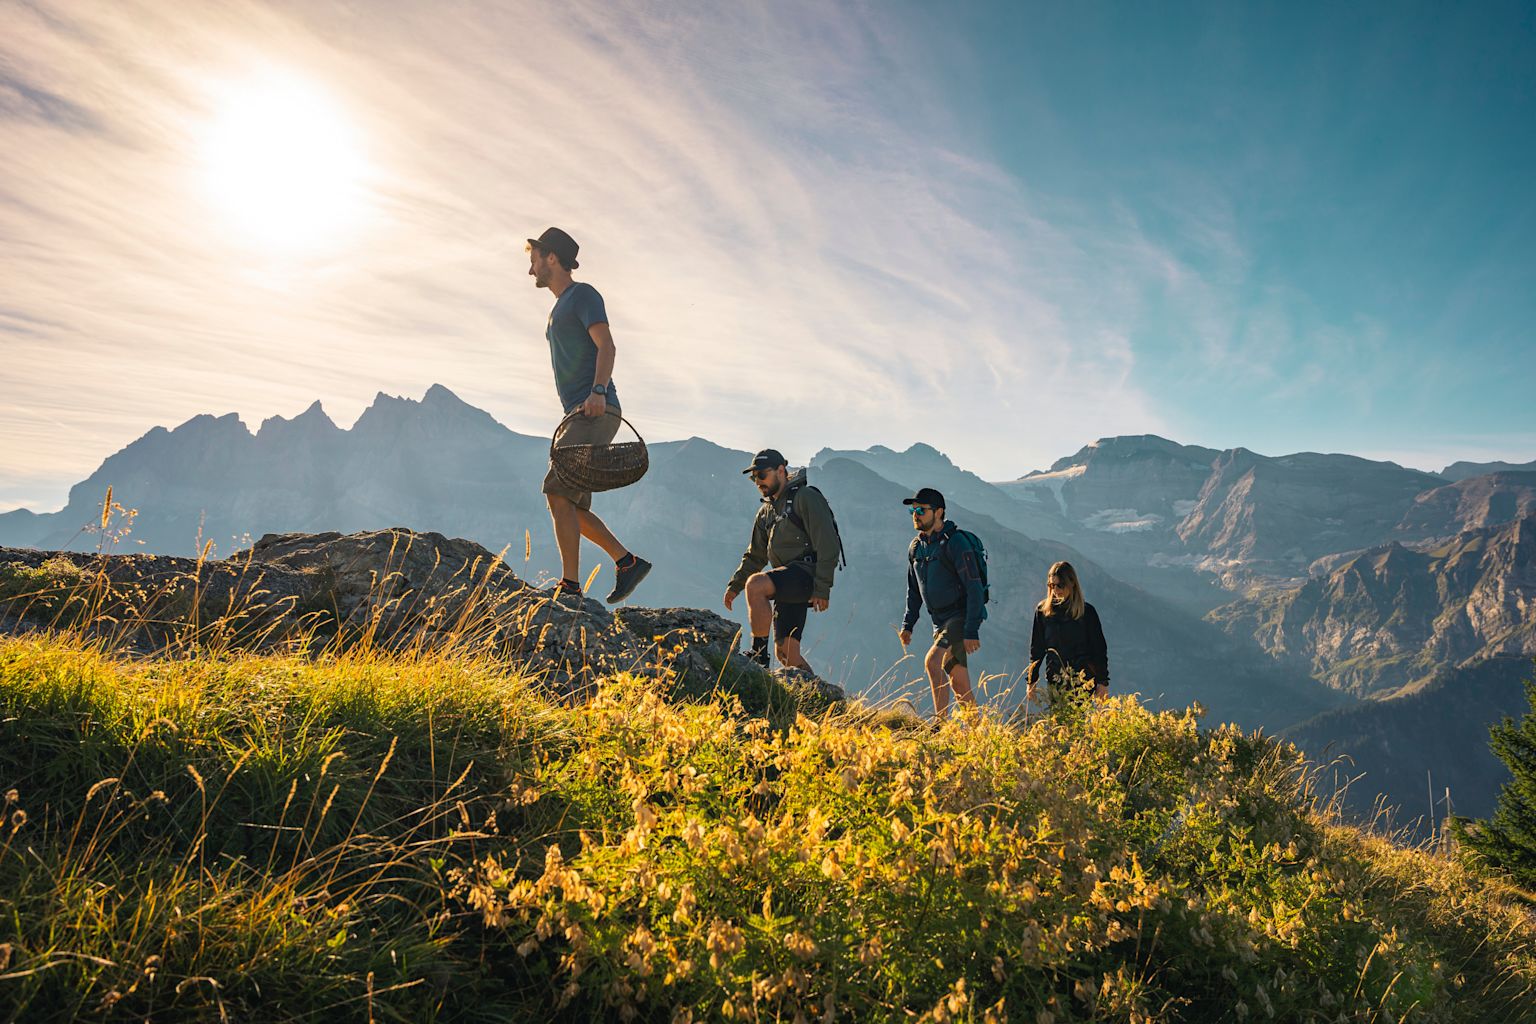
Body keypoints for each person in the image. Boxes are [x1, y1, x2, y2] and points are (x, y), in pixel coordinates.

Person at [527, 226, 651, 605]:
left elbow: (606, 345)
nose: (530, 269)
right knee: (571, 504)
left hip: (593, 408)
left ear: (552, 257)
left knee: (555, 490)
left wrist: (598, 392)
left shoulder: (583, 295)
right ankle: (626, 562)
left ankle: (570, 586)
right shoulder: (558, 307)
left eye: (534, 258)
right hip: (578, 412)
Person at [724, 450, 843, 672]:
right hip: (786, 580)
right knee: (787, 654)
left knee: (756, 585)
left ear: (781, 470)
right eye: (754, 477)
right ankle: (823, 701)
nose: (758, 481)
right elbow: (755, 555)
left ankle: (758, 655)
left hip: (805, 575)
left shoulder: (806, 497)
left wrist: (822, 588)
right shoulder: (765, 512)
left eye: (762, 475)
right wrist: (735, 586)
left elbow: (828, 544)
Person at [898, 487, 987, 720]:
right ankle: (979, 736)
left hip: (959, 617)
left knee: (932, 661)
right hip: (938, 622)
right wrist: (908, 625)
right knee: (959, 684)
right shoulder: (916, 547)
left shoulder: (955, 543)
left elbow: (974, 587)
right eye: (913, 510)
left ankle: (940, 726)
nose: (915, 514)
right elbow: (914, 590)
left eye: (921, 510)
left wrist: (971, 629)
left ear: (939, 512)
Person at [1026, 560, 1109, 705]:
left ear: (1072, 583)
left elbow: (1099, 649)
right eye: (1052, 585)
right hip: (1055, 679)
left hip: (1083, 681)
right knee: (1060, 723)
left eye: (1060, 585)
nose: (1056, 590)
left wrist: (1102, 682)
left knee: (1077, 723)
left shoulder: (1087, 613)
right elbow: (1037, 649)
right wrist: (1031, 681)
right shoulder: (1043, 612)